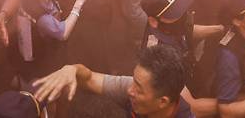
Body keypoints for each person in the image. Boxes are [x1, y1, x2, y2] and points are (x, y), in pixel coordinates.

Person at [33, 45, 194, 118]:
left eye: (138, 88)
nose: (130, 90)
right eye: (133, 81)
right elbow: (89, 79)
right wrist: (71, 70)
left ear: (162, 102)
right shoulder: (133, 89)